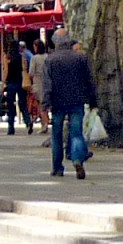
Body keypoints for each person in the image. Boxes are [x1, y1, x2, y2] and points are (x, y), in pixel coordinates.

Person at [40, 29, 98, 178]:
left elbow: (47, 84)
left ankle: (57, 167)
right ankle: (77, 159)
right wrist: (93, 101)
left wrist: (45, 103)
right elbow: (89, 81)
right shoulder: (80, 58)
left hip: (58, 101)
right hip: (77, 99)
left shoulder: (50, 60)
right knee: (76, 132)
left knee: (57, 134)